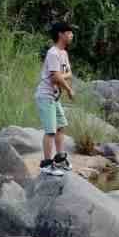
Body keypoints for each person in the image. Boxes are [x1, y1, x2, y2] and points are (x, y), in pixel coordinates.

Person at [36, 21, 75, 176]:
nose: (71, 35)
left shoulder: (63, 53)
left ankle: (59, 159)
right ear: (61, 34)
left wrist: (59, 76)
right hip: (46, 96)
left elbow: (65, 74)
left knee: (60, 127)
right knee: (50, 131)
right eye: (69, 32)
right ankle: (46, 164)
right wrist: (69, 89)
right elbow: (55, 77)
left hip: (55, 97)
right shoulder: (53, 53)